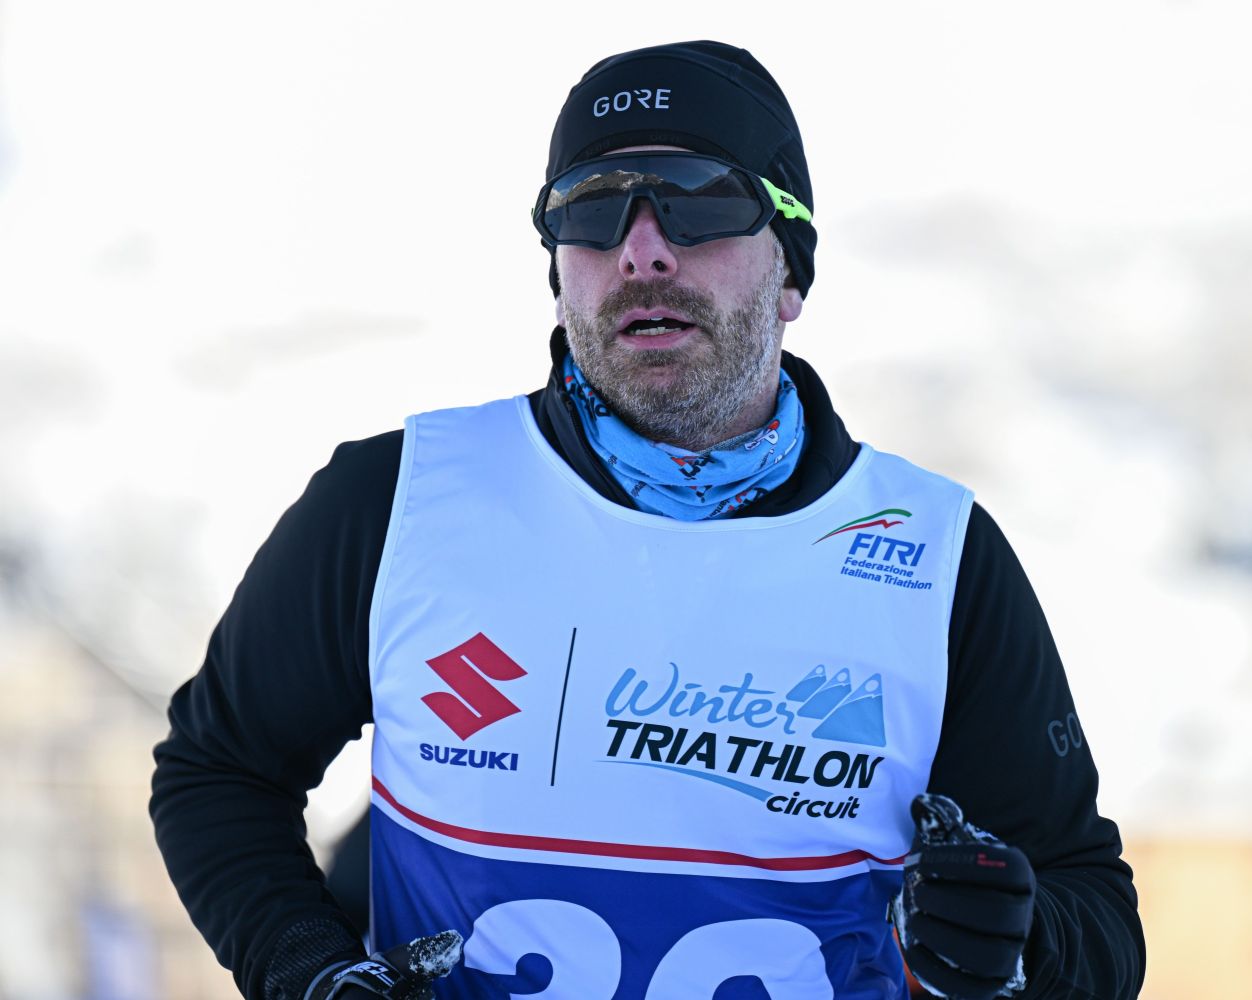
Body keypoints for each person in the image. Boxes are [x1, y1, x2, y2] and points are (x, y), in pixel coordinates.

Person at [150, 40, 1145, 1000]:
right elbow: (220, 769)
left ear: (790, 271)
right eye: (588, 211)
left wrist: (1017, 942)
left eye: (699, 202)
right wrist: (310, 970)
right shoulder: (400, 499)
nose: (641, 251)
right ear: (558, 272)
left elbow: (1092, 910)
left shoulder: (932, 553)